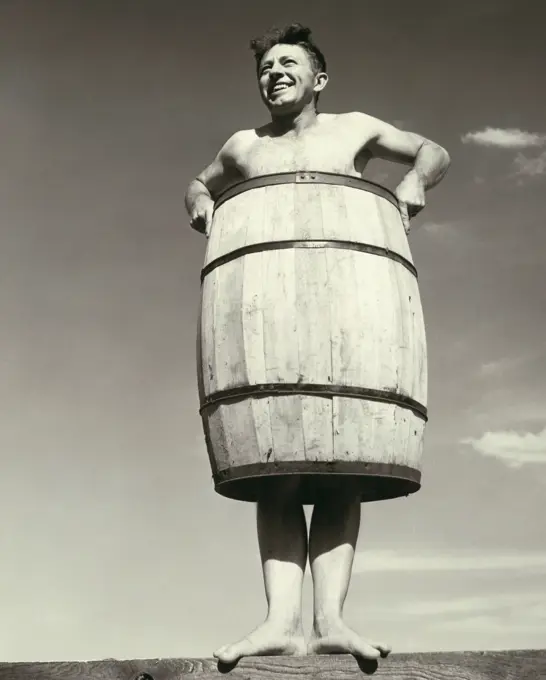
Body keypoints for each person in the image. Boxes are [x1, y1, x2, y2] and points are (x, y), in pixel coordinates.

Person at [185, 23, 450, 665]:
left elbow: (432, 150)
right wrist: (200, 201)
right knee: (275, 464)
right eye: (266, 66)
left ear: (318, 79)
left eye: (288, 63)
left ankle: (331, 619)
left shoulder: (354, 127)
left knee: (341, 466)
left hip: (351, 298)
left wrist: (415, 180)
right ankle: (280, 622)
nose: (274, 72)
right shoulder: (243, 145)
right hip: (263, 305)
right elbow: (199, 182)